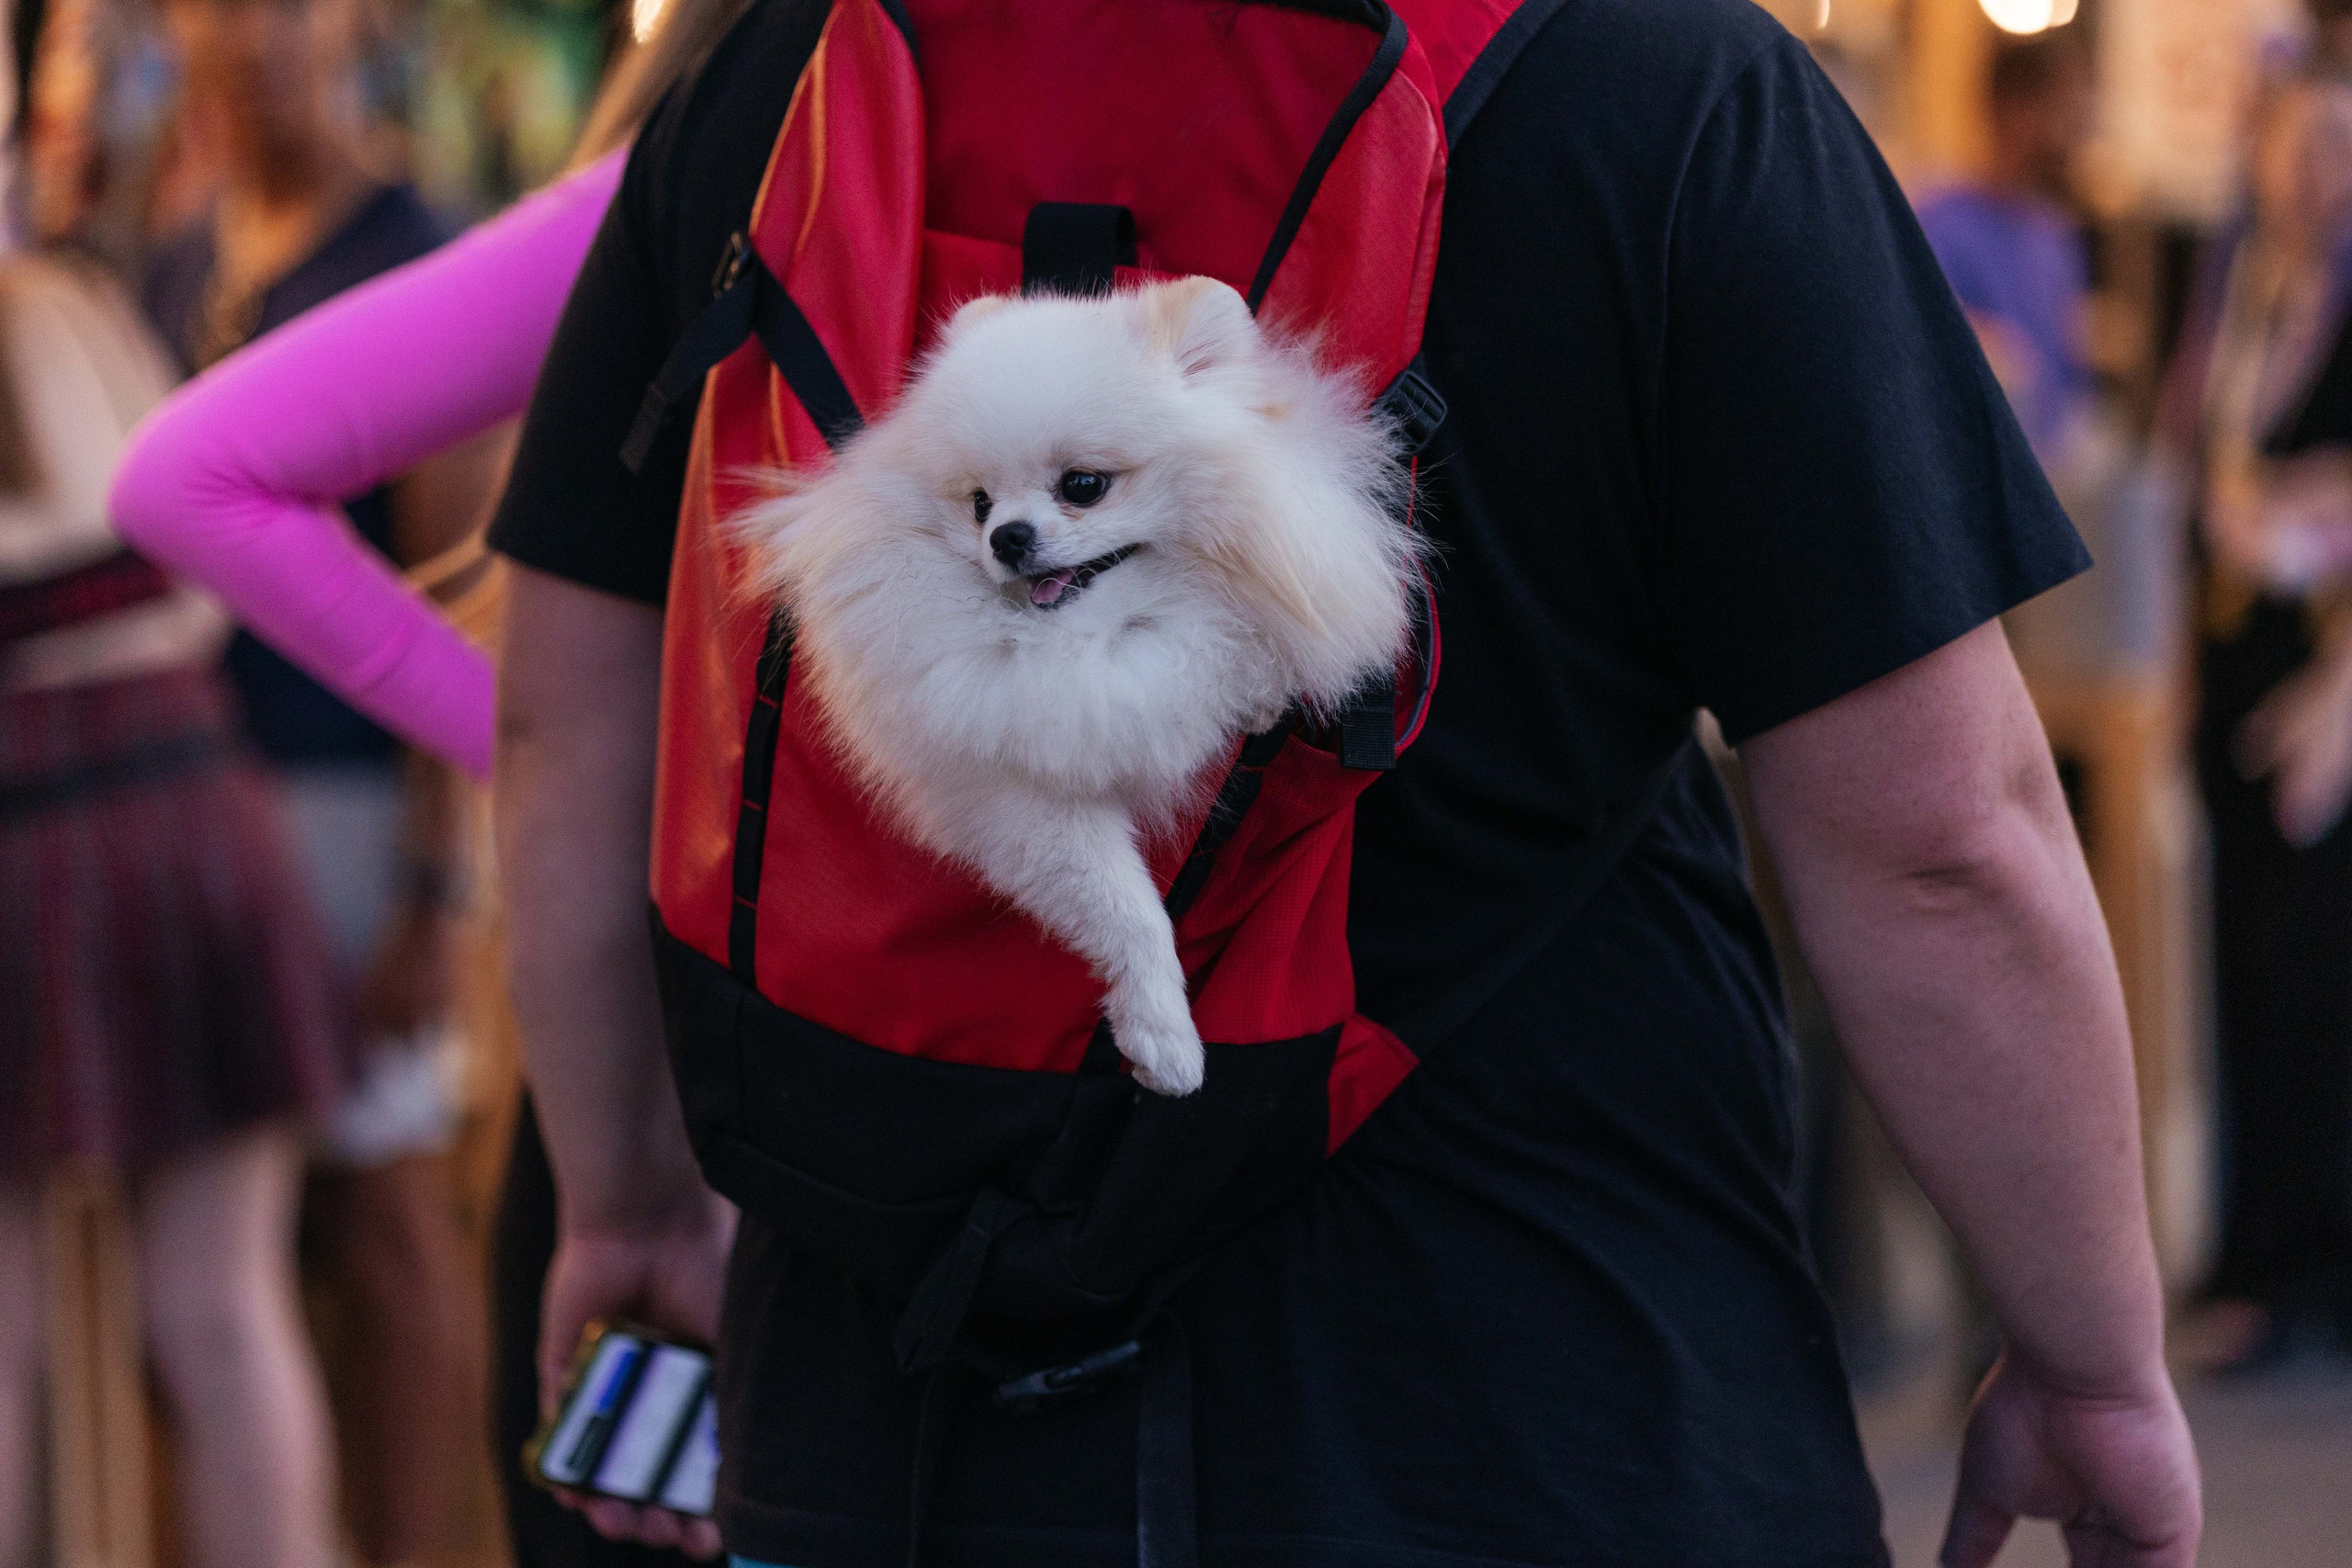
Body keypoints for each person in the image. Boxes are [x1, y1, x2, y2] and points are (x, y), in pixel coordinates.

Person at [489, 0, 2199, 1563]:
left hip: (887, 1407)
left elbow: (572, 713)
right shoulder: (1662, 81)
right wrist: (2095, 1361)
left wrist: (623, 1199)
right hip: (1533, 1386)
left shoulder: (772, 75)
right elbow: (1940, 840)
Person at [107, 0, 750, 1556]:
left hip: (669, 1037)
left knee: (400, 1262)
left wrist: (557, 767)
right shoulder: (776, 159)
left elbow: (187, 476)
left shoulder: (696, 159)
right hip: (849, 1063)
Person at [136, 0, 503, 1555]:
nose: (253, 36)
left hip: (356, 798)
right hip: (195, 804)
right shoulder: (177, 258)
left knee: (387, 1214)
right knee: (227, 1238)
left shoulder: (415, 253)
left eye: (285, 3)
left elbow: (459, 592)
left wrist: (435, 885)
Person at [0, 246, 344, 1567]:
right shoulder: (77, 300)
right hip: (188, 793)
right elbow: (208, 573)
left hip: (35, 822)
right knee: (224, 1308)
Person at [2166, 70, 2352, 1367]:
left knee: (2313, 968)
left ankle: (2314, 1262)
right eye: (2299, 143)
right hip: (2234, 652)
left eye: (2338, 144)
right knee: (2240, 961)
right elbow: (2199, 458)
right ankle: (2256, 1254)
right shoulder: (2239, 290)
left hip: (2325, 669)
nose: (2316, 168)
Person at [1916, 33, 2097, 464]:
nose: (2078, 129)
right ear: (2013, 110)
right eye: (2063, 107)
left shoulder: (2057, 235)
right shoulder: (1938, 224)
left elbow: (2069, 385)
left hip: (2055, 471)